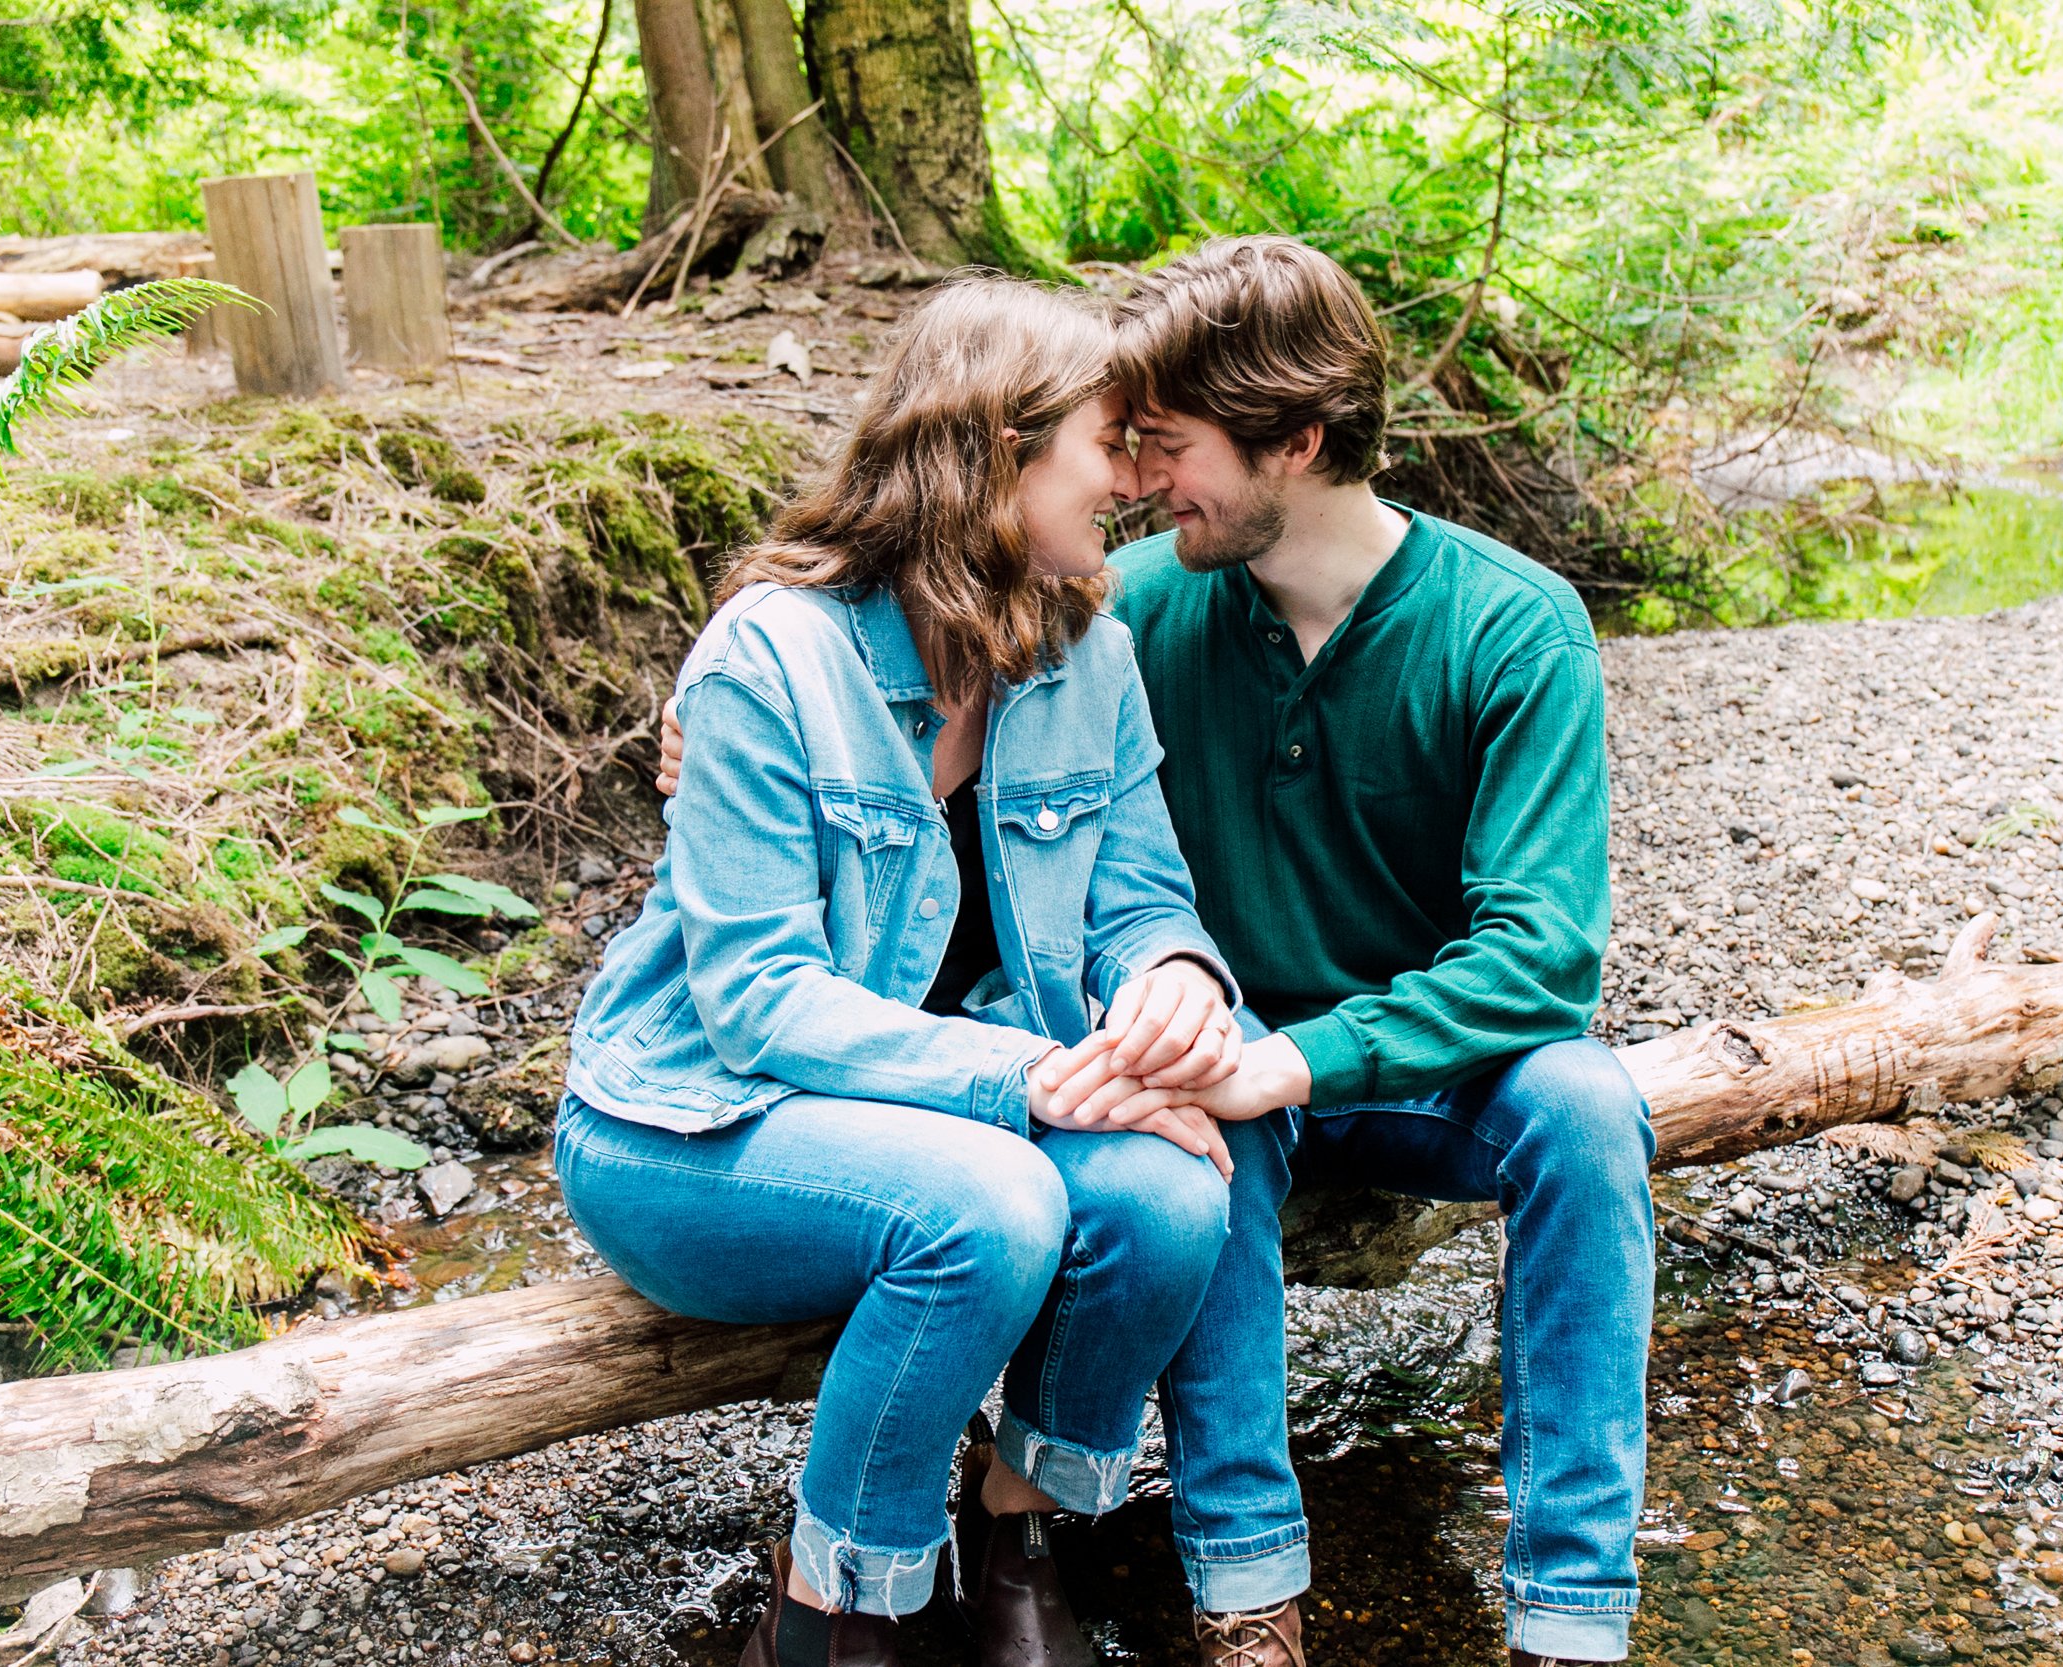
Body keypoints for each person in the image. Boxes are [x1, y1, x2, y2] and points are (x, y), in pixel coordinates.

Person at [659, 238, 1654, 1667]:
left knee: (1588, 1102)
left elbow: (1546, 961)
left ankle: (1570, 1617)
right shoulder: (1131, 609)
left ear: (1296, 443)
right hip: (1205, 1062)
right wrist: (703, 724)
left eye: (1163, 447)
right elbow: (913, 658)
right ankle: (1247, 1591)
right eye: (1118, 446)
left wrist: (1285, 1055)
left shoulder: (1512, 627)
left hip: (1421, 1067)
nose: (1133, 480)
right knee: (1204, 1128)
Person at [566, 275, 1251, 1667]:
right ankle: (833, 1615)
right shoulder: (773, 657)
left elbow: (1141, 895)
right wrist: (1049, 1080)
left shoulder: (1091, 650)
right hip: (696, 1120)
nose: (1129, 480)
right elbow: (759, 999)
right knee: (991, 1208)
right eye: (1108, 442)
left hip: (968, 1105)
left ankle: (1016, 1525)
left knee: (1177, 1198)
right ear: (1002, 450)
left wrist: (1174, 980)